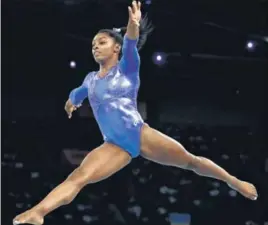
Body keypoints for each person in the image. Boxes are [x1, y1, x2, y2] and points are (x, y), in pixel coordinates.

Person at [13, 2, 258, 225]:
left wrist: (133, 24)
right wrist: (70, 102)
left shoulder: (128, 68)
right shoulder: (90, 79)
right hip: (114, 145)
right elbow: (79, 92)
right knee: (79, 176)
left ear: (116, 48)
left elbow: (131, 42)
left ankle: (233, 181)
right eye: (93, 44)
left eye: (101, 42)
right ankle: (39, 212)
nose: (95, 47)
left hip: (140, 134)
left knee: (191, 162)